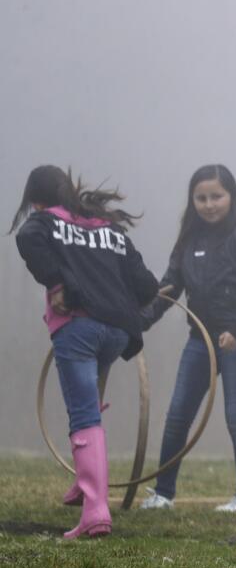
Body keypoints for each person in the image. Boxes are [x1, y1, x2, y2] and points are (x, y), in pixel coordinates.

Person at [13, 166, 160, 538]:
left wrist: (58, 282)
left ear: (35, 200)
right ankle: (84, 484)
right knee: (89, 403)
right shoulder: (108, 227)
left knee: (82, 414)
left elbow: (28, 235)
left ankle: (95, 511)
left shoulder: (44, 221)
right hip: (118, 333)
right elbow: (147, 286)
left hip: (77, 328)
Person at [140, 164, 236, 514]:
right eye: (201, 198)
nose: (209, 204)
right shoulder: (189, 239)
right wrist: (136, 321)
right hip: (199, 339)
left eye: (216, 196)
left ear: (231, 196)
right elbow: (168, 288)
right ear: (192, 201)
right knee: (177, 415)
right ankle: (162, 494)